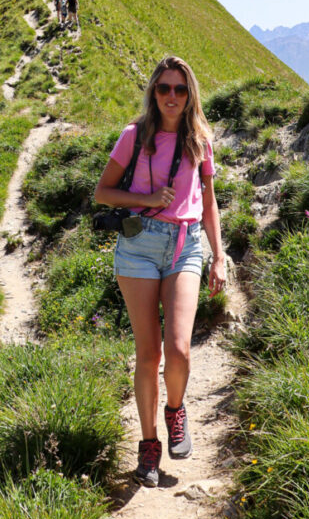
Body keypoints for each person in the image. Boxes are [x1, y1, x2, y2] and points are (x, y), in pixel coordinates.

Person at [94, 56, 226, 487]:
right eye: (165, 88)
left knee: (180, 349)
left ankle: (175, 409)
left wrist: (219, 255)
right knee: (148, 355)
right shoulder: (134, 136)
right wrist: (148, 199)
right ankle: (148, 446)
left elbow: (208, 203)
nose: (172, 96)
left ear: (191, 95)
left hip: (185, 246)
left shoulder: (200, 141)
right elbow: (103, 192)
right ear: (154, 92)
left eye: (181, 89)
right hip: (138, 247)